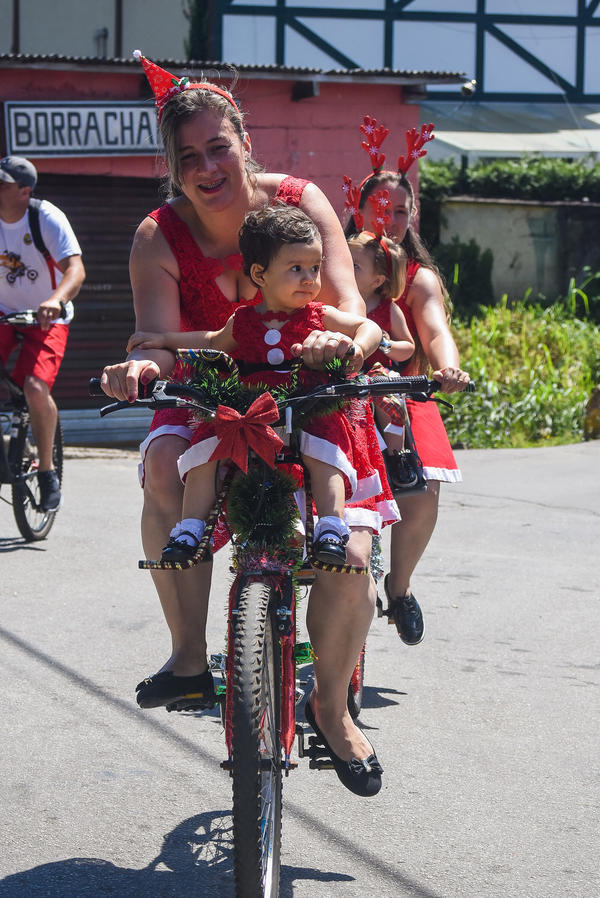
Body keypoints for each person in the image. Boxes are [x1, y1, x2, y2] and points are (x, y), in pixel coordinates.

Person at [101, 53, 393, 796]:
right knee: (166, 468)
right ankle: (189, 658)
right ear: (171, 167)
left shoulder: (299, 202)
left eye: (218, 147)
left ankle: (331, 710)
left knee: (350, 552)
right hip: (210, 395)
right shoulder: (156, 237)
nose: (206, 166)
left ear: (243, 140)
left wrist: (343, 345)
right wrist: (140, 370)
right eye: (187, 156)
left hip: (311, 386)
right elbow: (157, 347)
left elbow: (352, 314)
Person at [128, 203, 384, 566]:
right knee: (207, 443)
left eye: (314, 267)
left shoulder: (318, 315)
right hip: (251, 409)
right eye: (296, 268)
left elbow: (368, 327)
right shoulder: (244, 320)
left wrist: (357, 348)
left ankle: (330, 525)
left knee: (323, 445)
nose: (311, 279)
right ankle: (189, 528)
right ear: (259, 274)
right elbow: (212, 341)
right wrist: (161, 339)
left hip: (305, 403)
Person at [344, 117, 470, 646]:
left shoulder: (417, 277)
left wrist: (447, 369)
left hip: (401, 392)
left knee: (424, 491)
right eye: (380, 209)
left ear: (411, 214)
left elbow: (436, 331)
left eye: (400, 211)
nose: (390, 220)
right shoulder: (333, 264)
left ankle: (399, 587)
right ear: (358, 210)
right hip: (339, 388)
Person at [0, 155, 85, 511]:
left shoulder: (45, 217)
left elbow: (75, 270)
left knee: (36, 387)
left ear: (24, 191)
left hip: (46, 317)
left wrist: (55, 300)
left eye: (2, 185)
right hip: (4, 314)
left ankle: (47, 471)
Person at [346, 226, 415, 462]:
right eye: (344, 260)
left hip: (376, 371)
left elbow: (408, 347)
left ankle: (399, 458)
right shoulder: (335, 302)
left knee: (387, 395)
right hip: (346, 371)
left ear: (377, 280)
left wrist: (385, 344)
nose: (346, 268)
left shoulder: (387, 308)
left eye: (355, 266)